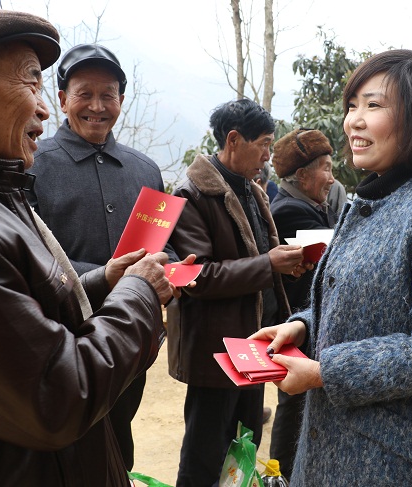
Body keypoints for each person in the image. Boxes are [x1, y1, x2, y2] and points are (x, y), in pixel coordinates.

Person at [0, 9, 183, 486]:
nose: (42, 109)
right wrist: (138, 293)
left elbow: (26, 307)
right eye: (31, 83)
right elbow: (59, 397)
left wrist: (106, 280)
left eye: (110, 95)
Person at [251, 49, 412, 485]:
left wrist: (325, 372)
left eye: (374, 105)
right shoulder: (372, 196)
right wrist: (303, 325)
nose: (353, 121)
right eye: (353, 105)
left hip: (397, 462)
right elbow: (356, 300)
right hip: (334, 446)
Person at [26, 43, 172, 470]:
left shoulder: (145, 170)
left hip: (134, 339)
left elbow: (162, 245)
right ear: (61, 99)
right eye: (83, 94)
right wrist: (112, 276)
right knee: (69, 453)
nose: (96, 106)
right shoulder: (32, 164)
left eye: (108, 95)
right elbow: (29, 257)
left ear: (122, 101)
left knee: (120, 439)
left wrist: (173, 271)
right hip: (62, 341)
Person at [167, 98, 307, 487]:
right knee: (204, 455)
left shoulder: (251, 190)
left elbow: (260, 259)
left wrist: (287, 266)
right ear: (233, 139)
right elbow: (195, 276)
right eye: (263, 143)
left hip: (254, 344)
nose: (268, 154)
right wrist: (269, 264)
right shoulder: (192, 194)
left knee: (245, 446)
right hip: (217, 351)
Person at [268, 128, 337, 480]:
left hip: (306, 321)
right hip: (298, 324)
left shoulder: (311, 206)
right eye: (325, 167)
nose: (332, 177)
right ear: (303, 175)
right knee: (293, 408)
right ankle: (279, 476)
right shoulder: (292, 210)